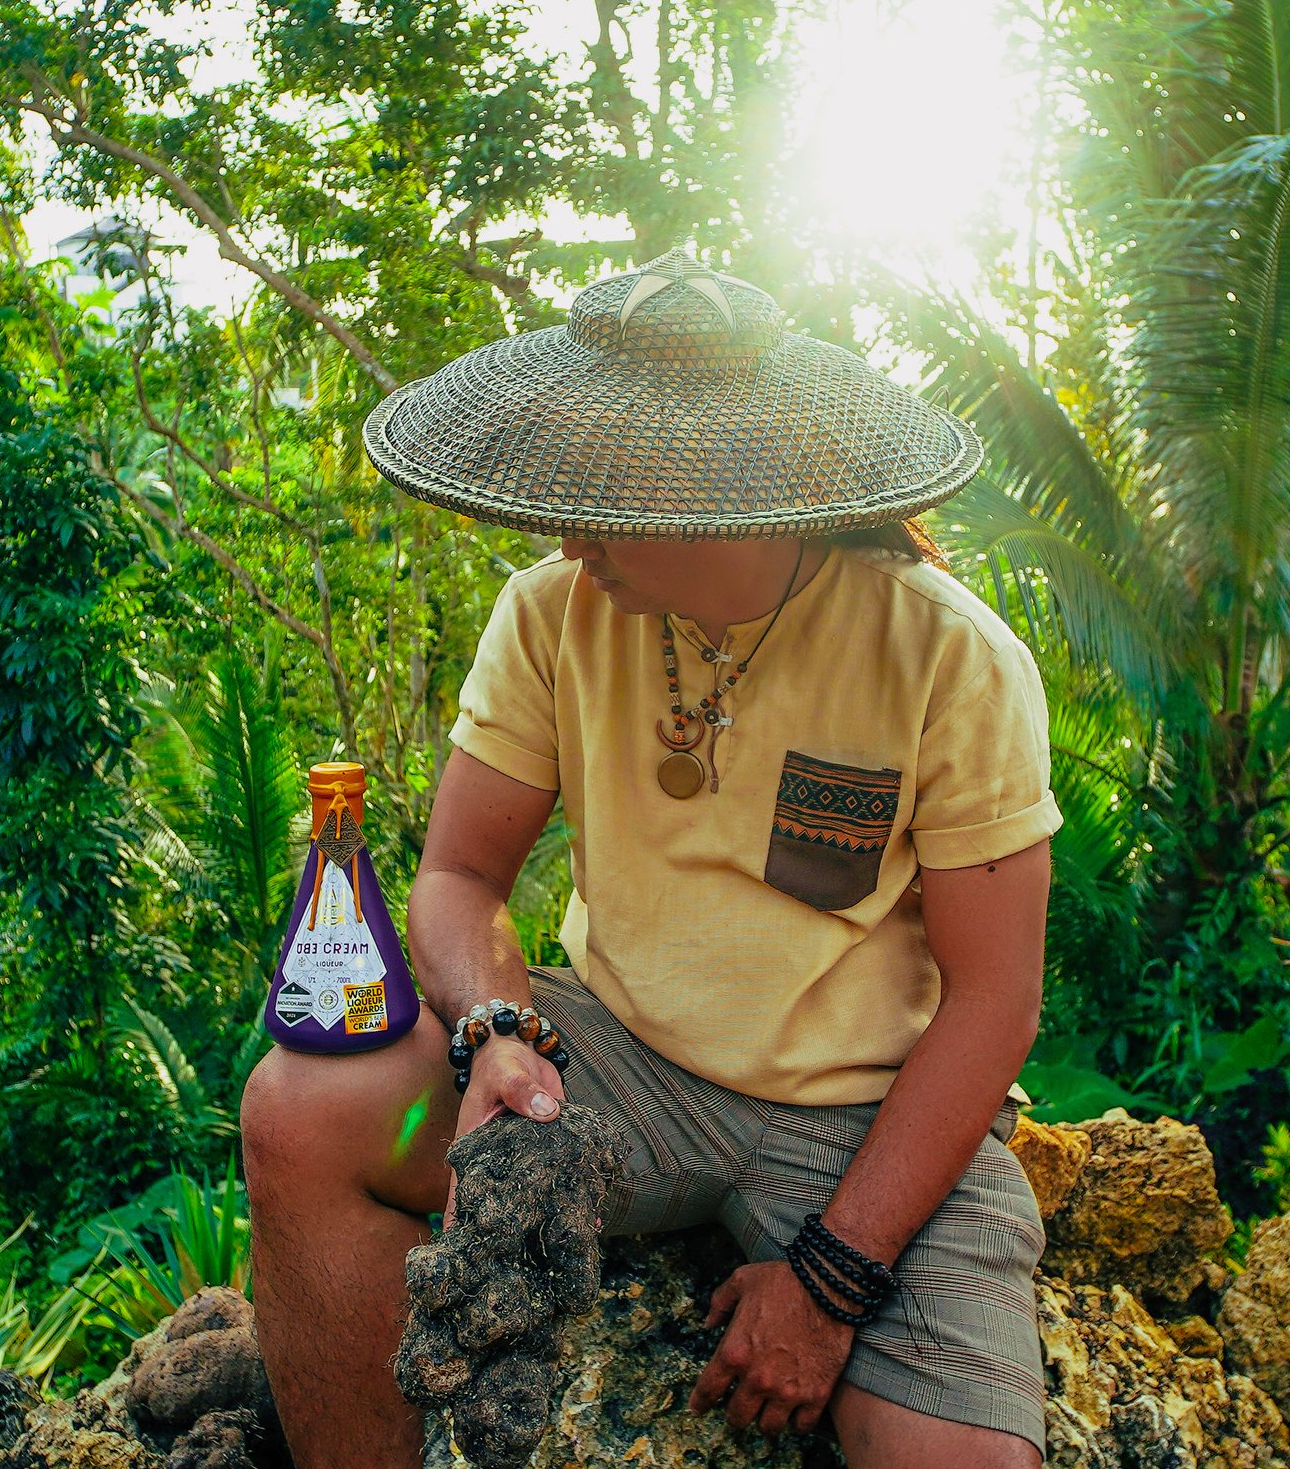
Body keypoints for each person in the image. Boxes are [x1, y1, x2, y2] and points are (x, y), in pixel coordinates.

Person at [240, 248, 1060, 1469]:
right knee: (301, 1107)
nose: (572, 534)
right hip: (615, 1058)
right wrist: (496, 1029)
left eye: (606, 499)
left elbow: (995, 999)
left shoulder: (946, 653)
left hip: (866, 1108)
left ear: (722, 498)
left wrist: (833, 1277)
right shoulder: (551, 610)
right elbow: (459, 876)